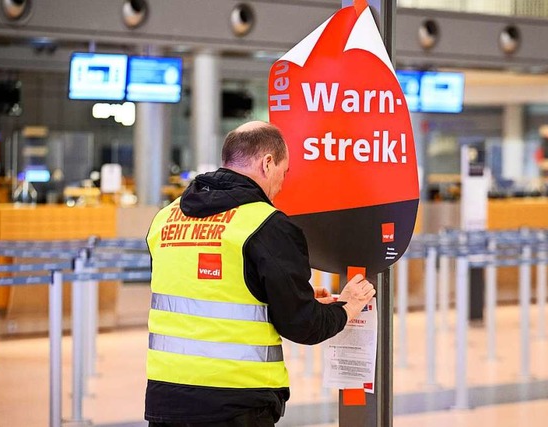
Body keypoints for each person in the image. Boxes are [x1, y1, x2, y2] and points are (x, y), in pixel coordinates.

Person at [145, 121, 376, 426]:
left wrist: (295, 300)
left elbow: (205, 294)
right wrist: (348, 306)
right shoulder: (267, 225)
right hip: (237, 402)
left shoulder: (166, 219)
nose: (282, 182)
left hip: (166, 400)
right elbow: (303, 327)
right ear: (268, 163)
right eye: (284, 170)